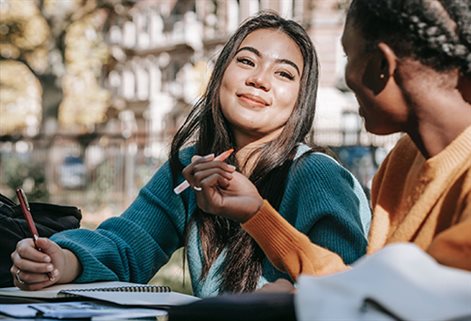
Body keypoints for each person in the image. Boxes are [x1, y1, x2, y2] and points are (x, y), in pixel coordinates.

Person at [9, 12, 371, 297]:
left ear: (301, 101)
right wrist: (62, 261)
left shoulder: (317, 175)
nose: (259, 79)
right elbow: (128, 245)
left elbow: (346, 285)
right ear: (220, 75)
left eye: (284, 74)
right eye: (246, 61)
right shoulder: (190, 167)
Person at [185, 0, 471, 284]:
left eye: (347, 56)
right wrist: (257, 214)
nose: (344, 75)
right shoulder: (403, 159)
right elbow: (366, 288)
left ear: (382, 65)